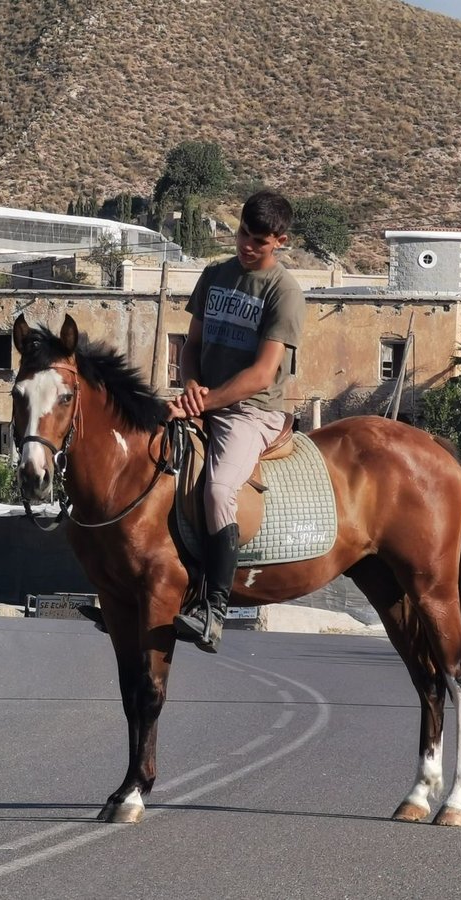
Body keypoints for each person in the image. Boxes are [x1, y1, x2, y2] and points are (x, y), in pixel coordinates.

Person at [167, 190, 305, 652]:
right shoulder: (214, 275)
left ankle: (214, 611)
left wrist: (204, 402)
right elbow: (190, 346)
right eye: (243, 233)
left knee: (219, 490)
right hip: (202, 400)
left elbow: (262, 374)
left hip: (252, 411)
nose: (247, 245)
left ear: (280, 241)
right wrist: (190, 385)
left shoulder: (284, 292)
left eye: (259, 241)